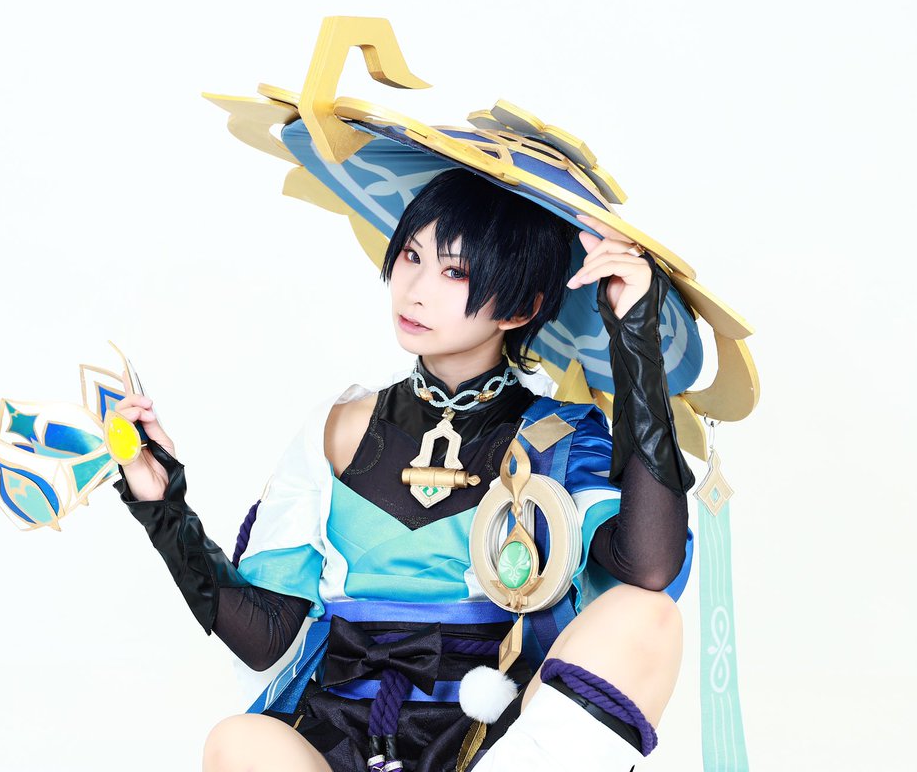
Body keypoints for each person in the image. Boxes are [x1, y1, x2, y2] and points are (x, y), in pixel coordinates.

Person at [112, 168, 696, 771]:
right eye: (412, 256)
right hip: (340, 734)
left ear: (522, 307)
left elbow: (649, 567)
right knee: (238, 740)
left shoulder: (559, 438)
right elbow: (266, 638)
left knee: (647, 616)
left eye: (455, 272)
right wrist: (163, 508)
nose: (415, 290)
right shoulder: (336, 428)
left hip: (495, 739)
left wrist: (636, 341)